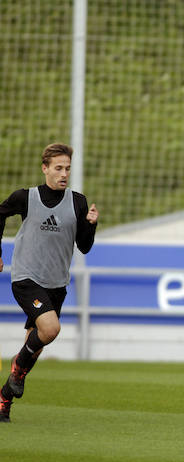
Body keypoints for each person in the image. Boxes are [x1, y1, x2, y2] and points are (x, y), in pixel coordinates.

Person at [0, 143, 99, 423]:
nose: (64, 173)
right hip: (26, 278)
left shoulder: (78, 202)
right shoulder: (25, 197)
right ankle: (17, 369)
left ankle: (4, 398)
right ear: (45, 168)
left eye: (67, 168)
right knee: (51, 328)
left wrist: (91, 225)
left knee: (36, 344)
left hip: (56, 284)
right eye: (58, 168)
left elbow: (84, 246)